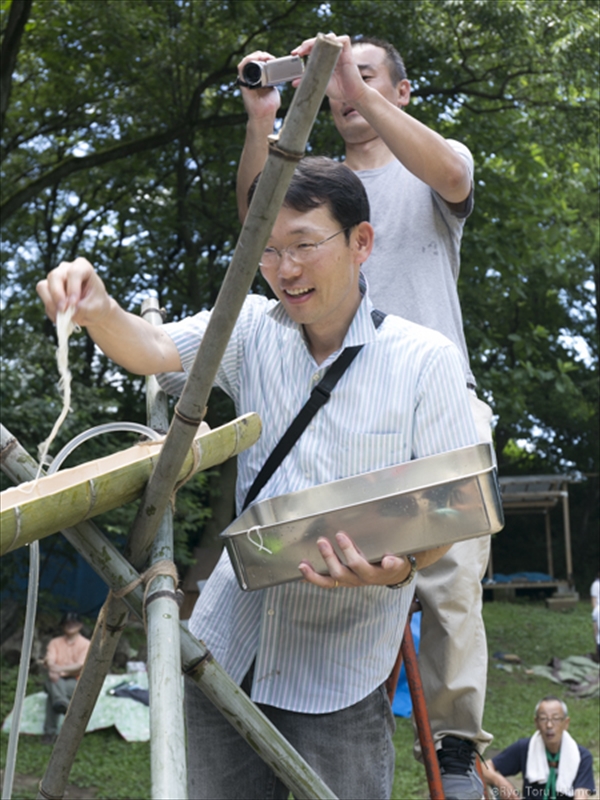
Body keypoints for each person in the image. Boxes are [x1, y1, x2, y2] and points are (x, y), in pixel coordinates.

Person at [38, 157, 480, 800]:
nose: (286, 270)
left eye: (304, 245)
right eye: (269, 251)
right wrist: (100, 308)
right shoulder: (249, 329)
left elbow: (448, 513)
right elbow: (153, 350)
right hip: (222, 649)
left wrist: (400, 569)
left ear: (362, 242)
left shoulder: (425, 360)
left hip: (341, 674)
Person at [236, 33, 494, 799]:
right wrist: (264, 119)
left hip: (434, 399)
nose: (347, 88)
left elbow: (451, 173)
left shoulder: (428, 167)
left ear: (402, 91)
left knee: (449, 571)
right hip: (345, 406)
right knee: (309, 556)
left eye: (368, 74)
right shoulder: (323, 191)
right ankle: (302, 705)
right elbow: (257, 224)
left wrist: (353, 81)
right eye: (341, 77)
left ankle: (453, 744)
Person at [481, 696, 596, 799]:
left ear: (566, 723)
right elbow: (483, 767)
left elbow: (581, 796)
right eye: (543, 719)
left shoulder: (581, 756)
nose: (549, 725)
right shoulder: (525, 747)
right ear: (536, 722)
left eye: (555, 719)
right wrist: (501, 782)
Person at [41, 612, 90, 744]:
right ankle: (63, 704)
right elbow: (49, 659)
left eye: (73, 623)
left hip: (75, 681)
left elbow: (80, 666)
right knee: (54, 683)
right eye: (67, 623)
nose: (70, 626)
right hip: (57, 679)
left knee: (53, 693)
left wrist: (57, 670)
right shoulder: (55, 642)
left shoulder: (86, 644)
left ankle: (49, 733)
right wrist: (53, 669)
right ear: (62, 626)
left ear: (80, 625)